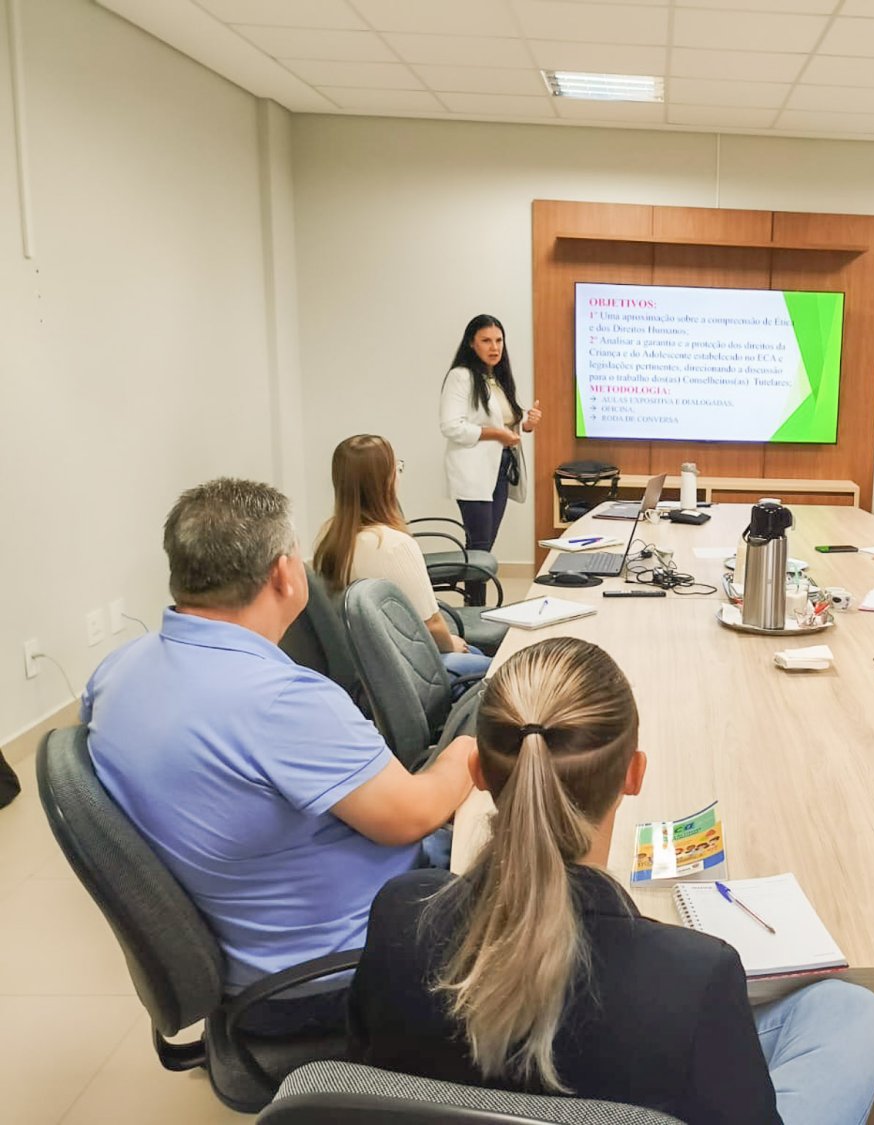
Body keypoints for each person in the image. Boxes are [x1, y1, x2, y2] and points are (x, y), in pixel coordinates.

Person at [350, 637, 874, 1124]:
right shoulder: (694, 979)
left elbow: (368, 1084)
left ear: (477, 775)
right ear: (634, 774)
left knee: (842, 1010)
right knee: (853, 1013)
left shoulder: (400, 912)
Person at [83, 479, 473, 1033]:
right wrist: (466, 753)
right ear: (285, 575)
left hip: (245, 947)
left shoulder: (116, 671)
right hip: (337, 971)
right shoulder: (283, 701)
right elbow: (411, 817)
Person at [313, 434, 491, 682]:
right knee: (506, 670)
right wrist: (451, 643)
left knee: (477, 655)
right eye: (396, 467)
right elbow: (432, 625)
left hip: (373, 666)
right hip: (411, 669)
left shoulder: (330, 537)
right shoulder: (393, 544)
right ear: (385, 480)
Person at [439, 314, 542, 604]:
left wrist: (527, 424)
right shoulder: (461, 376)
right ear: (471, 343)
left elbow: (507, 421)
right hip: (474, 472)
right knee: (480, 547)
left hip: (501, 469)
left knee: (483, 546)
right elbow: (451, 426)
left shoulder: (496, 378)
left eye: (498, 340)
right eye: (486, 341)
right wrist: (496, 434)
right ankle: (476, 608)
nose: (494, 347)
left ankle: (473, 606)